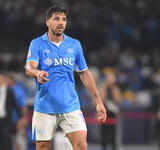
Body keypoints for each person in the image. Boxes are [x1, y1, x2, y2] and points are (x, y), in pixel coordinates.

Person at [25, 5, 107, 150]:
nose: (61, 22)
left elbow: (85, 74)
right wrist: (38, 73)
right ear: (47, 22)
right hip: (45, 107)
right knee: (43, 147)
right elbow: (29, 67)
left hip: (70, 106)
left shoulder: (75, 45)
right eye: (56, 19)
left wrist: (98, 101)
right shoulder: (37, 44)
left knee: (81, 145)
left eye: (64, 19)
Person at [98, 73, 122, 150]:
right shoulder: (102, 89)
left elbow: (119, 101)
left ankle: (114, 148)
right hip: (104, 113)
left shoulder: (116, 89)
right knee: (104, 135)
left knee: (113, 135)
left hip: (113, 114)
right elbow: (98, 101)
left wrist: (113, 90)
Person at [7, 73, 28, 150]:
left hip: (17, 119)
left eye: (9, 79)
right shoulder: (5, 90)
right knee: (10, 141)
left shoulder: (18, 91)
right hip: (8, 120)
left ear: (12, 80)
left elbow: (23, 106)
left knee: (20, 141)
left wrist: (24, 118)